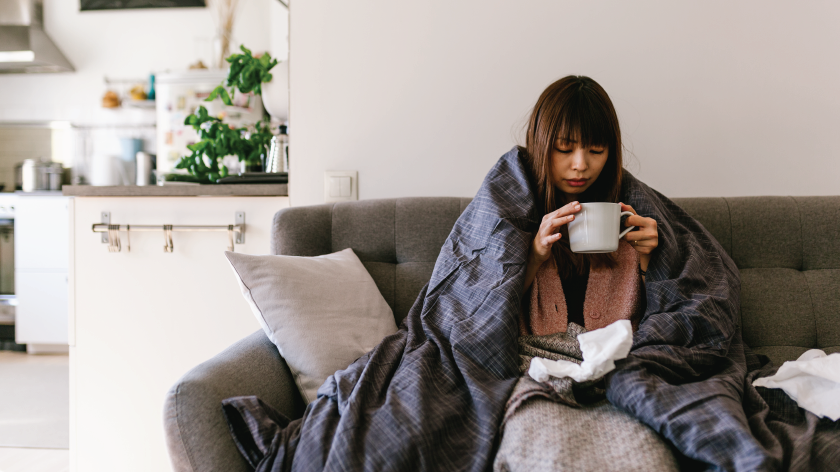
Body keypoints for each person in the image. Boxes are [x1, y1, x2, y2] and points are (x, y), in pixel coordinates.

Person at [518, 75, 659, 335]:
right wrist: (535, 255)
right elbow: (488, 308)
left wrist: (648, 260)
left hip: (619, 358)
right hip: (540, 359)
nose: (581, 165)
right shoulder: (515, 213)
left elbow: (662, 313)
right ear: (540, 144)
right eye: (564, 148)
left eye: (595, 150)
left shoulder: (627, 210)